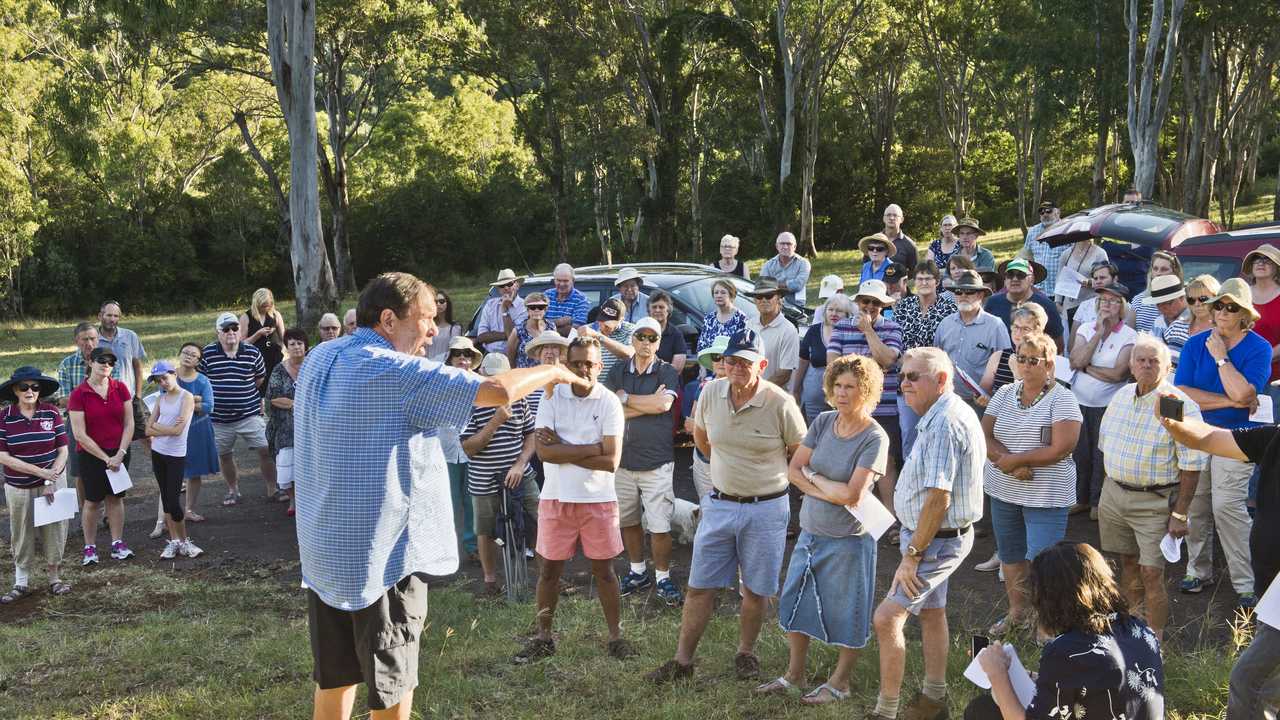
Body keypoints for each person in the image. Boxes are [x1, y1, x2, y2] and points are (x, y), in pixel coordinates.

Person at [294, 272, 585, 719]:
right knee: (391, 685)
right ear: (389, 320)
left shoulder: (320, 357)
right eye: (426, 318)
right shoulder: (396, 371)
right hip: (383, 559)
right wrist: (556, 369)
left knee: (335, 676)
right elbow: (498, 390)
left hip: (327, 554)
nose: (435, 329)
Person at [647, 329, 806, 684]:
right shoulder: (711, 393)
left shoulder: (781, 403)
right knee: (699, 585)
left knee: (755, 589)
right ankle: (682, 661)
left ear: (761, 365)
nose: (734, 367)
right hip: (719, 503)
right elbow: (702, 440)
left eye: (744, 362)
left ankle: (745, 653)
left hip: (767, 507)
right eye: (729, 360)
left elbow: (800, 453)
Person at [756, 355, 889, 705]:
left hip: (850, 539)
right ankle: (794, 675)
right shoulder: (823, 421)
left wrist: (813, 481)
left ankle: (840, 683)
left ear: (867, 391)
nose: (843, 393)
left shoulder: (875, 437)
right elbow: (794, 470)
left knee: (849, 611)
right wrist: (824, 485)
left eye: (852, 387)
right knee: (794, 601)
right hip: (811, 531)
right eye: (839, 385)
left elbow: (852, 494)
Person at [867, 347, 984, 720]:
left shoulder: (945, 422)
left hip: (935, 540)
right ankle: (934, 699)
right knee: (932, 613)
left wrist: (912, 554)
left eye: (913, 377)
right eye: (902, 376)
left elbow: (939, 497)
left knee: (888, 618)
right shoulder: (939, 414)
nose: (904, 384)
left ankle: (886, 712)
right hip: (930, 535)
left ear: (942, 380)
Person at [1156, 385, 1280, 719]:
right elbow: (1208, 437)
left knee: (1249, 682)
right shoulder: (1273, 438)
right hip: (1270, 595)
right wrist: (1174, 420)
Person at [516, 337, 632, 663]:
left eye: (590, 363)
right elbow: (544, 452)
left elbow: (611, 462)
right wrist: (593, 448)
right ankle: (543, 637)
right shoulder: (552, 397)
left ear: (599, 365)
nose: (584, 369)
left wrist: (563, 447)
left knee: (605, 572)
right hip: (556, 497)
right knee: (548, 572)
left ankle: (616, 636)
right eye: (577, 363)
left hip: (598, 499)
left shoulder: (608, 401)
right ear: (567, 365)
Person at [967, 543, 1164, 720]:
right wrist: (1025, 675)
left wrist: (998, 675)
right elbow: (1092, 685)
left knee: (982, 710)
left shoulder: (1066, 650)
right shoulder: (1140, 628)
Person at [1097, 337, 1205, 641]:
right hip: (1115, 493)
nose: (1146, 365)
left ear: (1168, 366)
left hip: (1155, 501)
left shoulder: (1177, 404)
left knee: (1152, 573)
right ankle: (1133, 628)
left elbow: (1192, 464)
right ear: (1131, 365)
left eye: (1154, 360)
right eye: (1141, 359)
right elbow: (1105, 444)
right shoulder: (1120, 395)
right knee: (1127, 563)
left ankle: (1154, 642)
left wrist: (1180, 514)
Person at [1173, 277, 1269, 608]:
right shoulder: (1193, 344)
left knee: (1227, 507)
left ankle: (1247, 582)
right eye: (1218, 306)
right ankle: (1198, 570)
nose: (1222, 312)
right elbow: (1182, 392)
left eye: (1231, 307)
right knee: (1196, 505)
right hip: (1198, 434)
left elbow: (1247, 393)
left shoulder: (1259, 348)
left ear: (1245, 314)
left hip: (1238, 440)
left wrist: (1220, 357)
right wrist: (1230, 401)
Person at [981, 332, 1082, 636]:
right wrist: (1010, 463)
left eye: (1033, 360)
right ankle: (1017, 613)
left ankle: (1046, 623)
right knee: (1011, 555)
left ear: (1049, 363)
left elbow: (1062, 447)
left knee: (1043, 562)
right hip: (1004, 488)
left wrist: (1020, 462)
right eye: (1021, 358)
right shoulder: (1004, 393)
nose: (1025, 365)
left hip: (1046, 494)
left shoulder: (1063, 398)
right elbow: (984, 434)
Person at [604, 317, 683, 606]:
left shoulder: (667, 372)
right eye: (641, 336)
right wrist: (644, 404)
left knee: (659, 526)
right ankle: (638, 572)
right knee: (628, 520)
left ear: (659, 342)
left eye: (653, 338)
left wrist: (626, 399)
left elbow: (663, 405)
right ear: (633, 339)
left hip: (657, 461)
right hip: (622, 462)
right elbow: (610, 410)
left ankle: (662, 576)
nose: (646, 342)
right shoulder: (617, 369)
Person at [463, 352, 542, 596]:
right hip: (484, 479)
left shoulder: (518, 398)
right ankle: (490, 581)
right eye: (493, 380)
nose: (498, 386)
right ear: (483, 376)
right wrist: (495, 422)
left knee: (541, 520)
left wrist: (520, 463)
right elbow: (469, 448)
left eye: (503, 380)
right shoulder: (470, 404)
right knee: (485, 531)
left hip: (521, 474)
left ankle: (546, 576)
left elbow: (531, 434)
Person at [0, 367, 70, 602]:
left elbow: (63, 450)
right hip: (18, 486)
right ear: (14, 390)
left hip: (52, 483)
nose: (30, 391)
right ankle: (21, 583)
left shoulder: (51, 413)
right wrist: (40, 472)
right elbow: (3, 457)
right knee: (21, 532)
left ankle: (55, 579)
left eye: (35, 387)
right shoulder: (4, 417)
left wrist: (50, 478)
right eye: (24, 387)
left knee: (55, 530)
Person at [826, 279, 903, 493]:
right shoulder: (841, 327)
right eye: (865, 301)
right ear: (858, 302)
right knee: (850, 459)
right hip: (848, 407)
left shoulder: (892, 328)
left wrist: (868, 331)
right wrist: (869, 366)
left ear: (883, 305)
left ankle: (890, 518)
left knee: (886, 462)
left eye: (875, 302)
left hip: (883, 407)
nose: (869, 306)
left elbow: (888, 360)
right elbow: (832, 366)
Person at [1068, 281, 1135, 517]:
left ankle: (1098, 502)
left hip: (1109, 405)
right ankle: (1080, 498)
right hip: (1079, 402)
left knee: (1102, 454)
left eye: (1113, 300)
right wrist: (1098, 333)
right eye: (1104, 300)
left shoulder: (1129, 335)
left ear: (1122, 306)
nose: (1107, 305)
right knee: (1080, 453)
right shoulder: (1087, 329)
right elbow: (1075, 361)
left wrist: (1088, 368)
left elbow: (1119, 374)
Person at [200, 311, 277, 506]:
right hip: (219, 419)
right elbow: (201, 382)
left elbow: (259, 379)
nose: (231, 332)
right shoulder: (207, 353)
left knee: (266, 449)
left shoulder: (252, 352)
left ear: (240, 329)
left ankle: (272, 488)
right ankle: (233, 490)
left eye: (234, 328)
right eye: (225, 329)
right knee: (224, 455)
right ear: (218, 332)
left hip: (249, 414)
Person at [67, 347, 134, 565]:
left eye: (111, 362)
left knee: (116, 498)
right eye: (101, 360)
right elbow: (79, 434)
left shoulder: (120, 388)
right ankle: (90, 547)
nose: (106, 365)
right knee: (93, 501)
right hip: (92, 455)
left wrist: (121, 453)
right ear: (90, 362)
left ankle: (117, 543)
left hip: (119, 452)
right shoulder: (79, 394)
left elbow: (129, 423)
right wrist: (106, 459)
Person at [893, 263, 957, 456]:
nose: (924, 282)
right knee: (910, 435)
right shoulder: (904, 306)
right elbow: (896, 340)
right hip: (907, 378)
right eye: (920, 278)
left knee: (937, 433)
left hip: (934, 380)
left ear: (937, 282)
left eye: (928, 278)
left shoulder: (949, 308)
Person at [56, 322, 119, 506]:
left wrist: (84, 401)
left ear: (98, 338)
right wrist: (94, 401)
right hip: (78, 424)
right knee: (80, 471)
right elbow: (62, 399)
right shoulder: (67, 364)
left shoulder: (110, 360)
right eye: (85, 340)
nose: (89, 343)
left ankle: (109, 512)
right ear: (77, 341)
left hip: (108, 421)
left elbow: (119, 391)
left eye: (92, 338)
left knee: (111, 466)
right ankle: (87, 512)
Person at [144, 360, 202, 559]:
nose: (163, 383)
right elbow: (147, 429)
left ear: (174, 374)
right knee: (167, 500)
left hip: (176, 455)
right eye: (158, 380)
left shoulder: (186, 398)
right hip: (158, 453)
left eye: (165, 378)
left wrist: (159, 428)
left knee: (174, 501)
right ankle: (174, 541)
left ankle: (185, 541)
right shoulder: (161, 399)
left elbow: (178, 432)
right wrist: (163, 429)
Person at [932, 270, 1012, 407]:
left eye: (969, 291)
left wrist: (988, 395)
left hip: (981, 402)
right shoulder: (945, 323)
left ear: (980, 295)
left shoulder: (995, 325)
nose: (963, 295)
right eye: (958, 291)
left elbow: (1006, 366)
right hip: (948, 399)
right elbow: (937, 359)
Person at [439, 337, 482, 560]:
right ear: (450, 358)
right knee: (449, 500)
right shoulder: (440, 382)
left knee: (471, 499)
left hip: (473, 449)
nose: (462, 359)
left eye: (467, 354)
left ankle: (472, 545)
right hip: (446, 448)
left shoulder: (480, 383)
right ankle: (448, 548)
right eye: (457, 354)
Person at [683, 336, 730, 499]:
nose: (721, 362)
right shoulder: (704, 386)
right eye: (717, 357)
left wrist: (703, 426)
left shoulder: (742, 388)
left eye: (726, 357)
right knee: (707, 508)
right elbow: (689, 425)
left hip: (731, 463)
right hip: (704, 460)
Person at [175, 342, 217, 522]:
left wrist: (186, 402)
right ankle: (170, 513)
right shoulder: (170, 376)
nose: (188, 356)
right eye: (185, 352)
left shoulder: (202, 380)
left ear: (198, 361)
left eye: (193, 355)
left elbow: (209, 406)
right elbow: (163, 401)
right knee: (174, 471)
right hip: (174, 429)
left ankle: (189, 509)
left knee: (194, 472)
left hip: (198, 428)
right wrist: (194, 400)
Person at [986, 257, 1065, 351]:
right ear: (1005, 280)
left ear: (1032, 279)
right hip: (998, 361)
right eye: (1010, 275)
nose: (1014, 279)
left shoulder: (1046, 305)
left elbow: (1058, 346)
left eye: (1021, 275)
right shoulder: (993, 302)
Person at [268, 328, 307, 516]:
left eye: (300, 343)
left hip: (310, 428)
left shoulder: (313, 366)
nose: (297, 347)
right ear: (286, 347)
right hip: (286, 428)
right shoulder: (279, 369)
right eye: (292, 344)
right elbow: (274, 398)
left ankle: (307, 500)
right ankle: (292, 499)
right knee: (286, 465)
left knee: (308, 466)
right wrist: (298, 404)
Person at [795, 294, 852, 421]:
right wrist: (795, 389)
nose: (834, 313)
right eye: (830, 310)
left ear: (848, 314)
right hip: (814, 399)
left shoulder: (853, 333)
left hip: (843, 397)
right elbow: (802, 362)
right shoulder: (814, 331)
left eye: (839, 311)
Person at [980, 303, 1048, 399]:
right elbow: (984, 390)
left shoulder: (1044, 361)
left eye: (1026, 328)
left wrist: (1017, 374)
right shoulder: (998, 356)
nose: (1018, 333)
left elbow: (1035, 401)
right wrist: (982, 397)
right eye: (1016, 326)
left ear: (1039, 332)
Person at [746, 277, 800, 388]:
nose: (764, 300)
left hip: (775, 398)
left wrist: (756, 390)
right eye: (759, 296)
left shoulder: (788, 330)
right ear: (754, 300)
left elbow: (784, 374)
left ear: (778, 298)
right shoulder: (748, 325)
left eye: (769, 295)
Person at [1162, 274, 1220, 368]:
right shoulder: (1175, 327)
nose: (1197, 304)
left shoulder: (1220, 333)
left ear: (1216, 298)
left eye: (1203, 299)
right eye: (1191, 300)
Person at [1243, 244, 1280, 382]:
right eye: (1256, 258)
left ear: (1277, 267)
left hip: (1276, 379)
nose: (1261, 262)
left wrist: (1263, 358)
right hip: (1242, 374)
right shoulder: (1241, 295)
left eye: (1267, 259)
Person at [1127, 250, 1184, 333]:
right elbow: (1128, 333)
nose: (1158, 273)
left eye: (1164, 269)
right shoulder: (1139, 300)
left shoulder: (1183, 299)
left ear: (1175, 272)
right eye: (1155, 268)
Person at [1066, 260, 1119, 347]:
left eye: (1102, 278)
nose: (1098, 281)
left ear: (1115, 279)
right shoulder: (1084, 306)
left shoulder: (1124, 307)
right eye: (1095, 278)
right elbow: (1071, 344)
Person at [576, 298, 635, 376]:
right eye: (602, 320)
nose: (604, 326)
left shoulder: (631, 329)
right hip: (593, 383)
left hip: (618, 384)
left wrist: (598, 336)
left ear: (621, 320)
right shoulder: (588, 329)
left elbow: (629, 354)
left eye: (609, 323)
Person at [474, 268, 528, 353]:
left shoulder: (525, 307)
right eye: (502, 286)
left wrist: (504, 309)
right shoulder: (490, 304)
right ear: (499, 289)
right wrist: (506, 335)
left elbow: (515, 336)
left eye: (509, 284)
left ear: (517, 285)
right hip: (490, 355)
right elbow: (481, 337)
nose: (506, 288)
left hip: (515, 356)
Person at [240, 288, 286, 384]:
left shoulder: (276, 315)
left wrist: (282, 350)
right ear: (256, 304)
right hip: (255, 358)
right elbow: (241, 344)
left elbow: (284, 338)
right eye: (263, 306)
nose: (266, 309)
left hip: (274, 357)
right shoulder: (246, 317)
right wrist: (258, 334)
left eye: (268, 306)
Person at [1055, 238, 1108, 319]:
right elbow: (1059, 277)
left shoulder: (1100, 253)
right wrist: (1057, 302)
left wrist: (1090, 282)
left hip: (1091, 306)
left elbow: (1106, 280)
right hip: (1069, 306)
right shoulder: (1066, 254)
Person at [1023, 199, 1065, 294]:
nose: (1045, 214)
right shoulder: (1033, 231)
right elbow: (1026, 255)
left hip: (1061, 290)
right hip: (1038, 290)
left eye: (1049, 211)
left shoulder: (1067, 230)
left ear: (1057, 212)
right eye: (1041, 211)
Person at [697, 278, 748, 352]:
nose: (719, 295)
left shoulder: (740, 318)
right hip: (712, 362)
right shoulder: (709, 319)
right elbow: (701, 347)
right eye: (716, 292)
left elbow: (744, 348)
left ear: (731, 296)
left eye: (723, 292)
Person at [761, 231, 812, 305]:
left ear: (794, 246)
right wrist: (788, 286)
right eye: (782, 243)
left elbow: (797, 285)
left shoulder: (803, 263)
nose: (785, 247)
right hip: (773, 307)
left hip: (797, 309)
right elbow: (763, 285)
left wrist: (773, 285)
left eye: (789, 244)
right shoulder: (768, 265)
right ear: (777, 246)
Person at [506, 291, 551, 369]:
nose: (536, 310)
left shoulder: (551, 327)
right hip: (525, 376)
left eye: (541, 307)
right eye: (532, 307)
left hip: (546, 374)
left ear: (545, 309)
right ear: (527, 310)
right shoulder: (518, 331)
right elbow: (510, 358)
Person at [646, 290, 688, 373]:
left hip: (667, 381)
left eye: (661, 307)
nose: (657, 310)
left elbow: (677, 368)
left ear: (668, 310)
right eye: (654, 307)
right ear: (649, 310)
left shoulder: (676, 334)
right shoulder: (641, 331)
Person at [1143, 273, 1190, 341]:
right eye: (1158, 304)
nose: (1162, 308)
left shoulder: (1195, 321)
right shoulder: (1158, 321)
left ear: (1181, 297)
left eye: (1168, 303)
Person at [546, 263, 590, 333]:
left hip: (567, 343)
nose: (562, 284)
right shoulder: (546, 295)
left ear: (573, 280)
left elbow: (576, 329)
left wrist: (547, 325)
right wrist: (560, 322)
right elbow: (536, 322)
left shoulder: (581, 299)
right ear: (554, 280)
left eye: (565, 281)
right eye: (559, 280)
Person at [877, 203, 919, 271]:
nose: (891, 218)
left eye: (895, 215)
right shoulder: (873, 241)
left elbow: (914, 274)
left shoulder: (910, 245)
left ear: (902, 219)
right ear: (884, 218)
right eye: (888, 215)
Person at [425, 289, 463, 362]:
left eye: (442, 301)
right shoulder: (426, 326)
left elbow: (454, 351)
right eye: (435, 302)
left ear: (447, 303)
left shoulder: (455, 328)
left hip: (445, 367)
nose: (438, 304)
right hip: (426, 366)